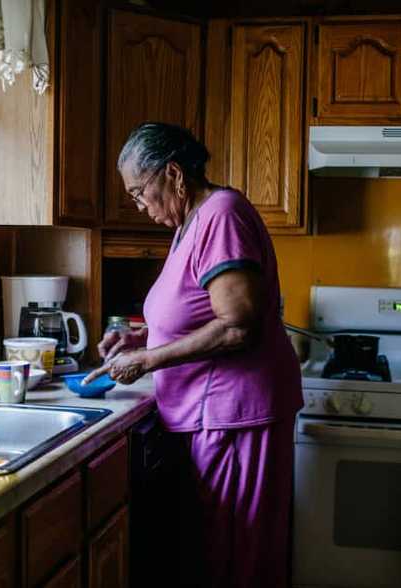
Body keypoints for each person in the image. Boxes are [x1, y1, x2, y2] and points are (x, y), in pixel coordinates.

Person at [85, 122, 303, 587]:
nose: (140, 207)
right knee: (218, 552)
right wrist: (141, 340)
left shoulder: (221, 214)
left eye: (140, 192)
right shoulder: (190, 222)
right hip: (213, 413)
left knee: (238, 554)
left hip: (237, 414)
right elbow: (195, 312)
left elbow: (237, 325)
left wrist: (147, 362)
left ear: (174, 175)